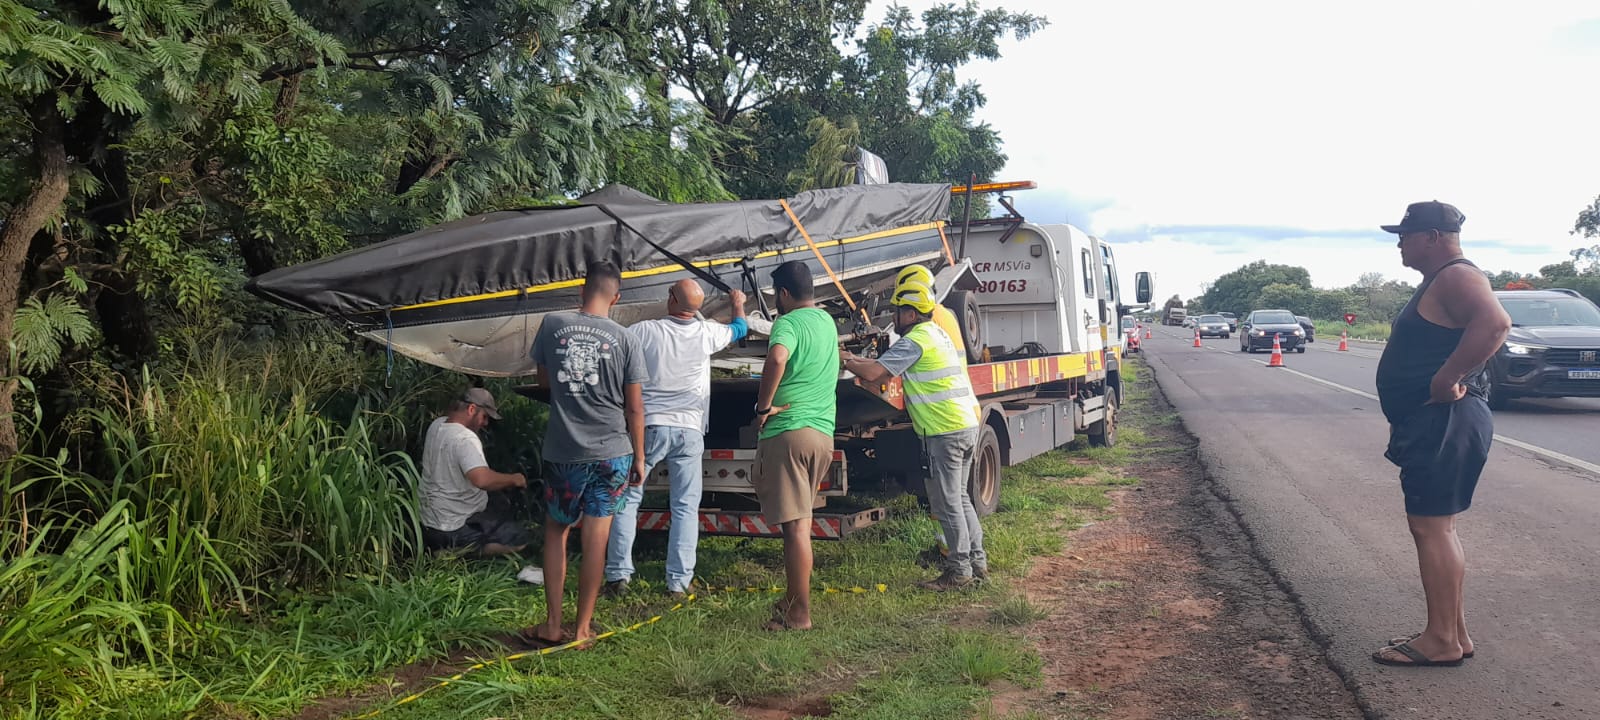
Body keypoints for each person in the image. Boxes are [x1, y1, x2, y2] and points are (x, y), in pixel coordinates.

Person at [1372, 201, 1511, 667]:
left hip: (1445, 418)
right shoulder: (1442, 279)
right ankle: (1453, 633)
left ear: (1433, 237)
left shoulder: (1457, 275)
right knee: (1437, 527)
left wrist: (1447, 377)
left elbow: (1495, 324)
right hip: (1436, 421)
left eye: (1405, 235)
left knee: (1430, 527)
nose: (1399, 244)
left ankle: (1441, 642)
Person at [522, 260, 649, 648]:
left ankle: (552, 625)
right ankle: (581, 632)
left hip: (564, 451)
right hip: (614, 451)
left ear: (582, 289)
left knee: (557, 531)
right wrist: (640, 458)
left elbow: (545, 384)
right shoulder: (626, 339)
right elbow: (635, 408)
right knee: (597, 537)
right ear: (616, 297)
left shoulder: (553, 324)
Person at [604, 281, 750, 600]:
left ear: (671, 299)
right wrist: (737, 302)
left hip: (651, 426)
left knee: (629, 497)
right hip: (690, 429)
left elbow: (615, 347)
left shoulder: (645, 331)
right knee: (684, 505)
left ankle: (618, 576)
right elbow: (740, 328)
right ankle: (678, 583)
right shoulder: (707, 333)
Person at [841, 276, 986, 590]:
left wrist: (844, 357)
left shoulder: (916, 340)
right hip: (964, 425)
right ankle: (977, 562)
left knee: (948, 504)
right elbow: (880, 363)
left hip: (943, 431)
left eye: (897, 311)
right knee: (960, 499)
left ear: (910, 313)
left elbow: (873, 373)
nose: (894, 318)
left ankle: (959, 572)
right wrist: (859, 360)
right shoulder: (936, 334)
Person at [754, 261, 839, 631]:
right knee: (802, 522)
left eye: (776, 294)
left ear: (784, 294)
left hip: (789, 430)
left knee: (796, 530)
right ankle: (792, 599)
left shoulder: (786, 324)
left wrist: (762, 406)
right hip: (822, 434)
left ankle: (800, 614)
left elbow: (777, 357)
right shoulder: (826, 321)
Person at [418, 387, 530, 556]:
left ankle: (441, 546)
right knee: (521, 539)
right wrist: (514, 479)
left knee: (497, 501)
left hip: (427, 521)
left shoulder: (437, 425)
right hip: (452, 526)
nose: (485, 423)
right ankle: (458, 552)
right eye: (484, 417)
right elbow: (482, 480)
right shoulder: (465, 438)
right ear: (471, 409)